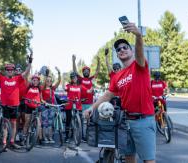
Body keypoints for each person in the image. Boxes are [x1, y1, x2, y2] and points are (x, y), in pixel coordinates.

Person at [84, 22, 156, 163]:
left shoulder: (139, 66)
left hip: (143, 121)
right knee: (128, 158)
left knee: (148, 161)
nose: (121, 50)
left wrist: (138, 36)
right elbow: (107, 95)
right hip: (124, 122)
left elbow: (140, 52)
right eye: (118, 49)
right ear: (117, 54)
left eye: (125, 47)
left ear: (131, 51)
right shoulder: (117, 76)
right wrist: (91, 108)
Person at [0, 53, 32, 150]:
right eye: (8, 70)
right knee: (5, 125)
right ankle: (4, 143)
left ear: (14, 71)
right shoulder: (2, 78)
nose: (10, 71)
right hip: (5, 105)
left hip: (15, 105)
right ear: (5, 71)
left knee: (14, 124)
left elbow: (26, 72)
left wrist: (30, 63)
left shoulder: (18, 78)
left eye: (11, 70)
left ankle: (12, 142)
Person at [72, 54, 99, 141]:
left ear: (89, 72)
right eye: (85, 71)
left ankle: (88, 136)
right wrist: (73, 61)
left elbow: (97, 72)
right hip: (82, 103)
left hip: (90, 104)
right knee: (83, 121)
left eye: (88, 70)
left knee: (89, 122)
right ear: (83, 72)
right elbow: (75, 72)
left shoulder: (91, 79)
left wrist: (99, 62)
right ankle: (82, 136)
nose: (86, 72)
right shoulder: (80, 79)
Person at [64, 72, 86, 143]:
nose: (74, 79)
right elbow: (65, 88)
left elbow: (87, 90)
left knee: (77, 121)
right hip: (69, 105)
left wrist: (91, 91)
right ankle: (67, 136)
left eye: (75, 77)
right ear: (71, 79)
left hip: (78, 106)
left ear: (77, 78)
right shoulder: (69, 85)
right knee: (68, 121)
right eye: (73, 77)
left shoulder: (80, 86)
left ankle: (74, 135)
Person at [41, 67, 61, 144]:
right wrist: (44, 102)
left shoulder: (52, 88)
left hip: (52, 107)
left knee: (50, 123)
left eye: (50, 81)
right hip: (45, 107)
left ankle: (50, 137)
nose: (49, 82)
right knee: (44, 124)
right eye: (47, 80)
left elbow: (59, 81)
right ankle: (44, 138)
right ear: (45, 81)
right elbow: (41, 98)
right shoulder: (42, 88)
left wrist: (59, 73)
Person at [22, 74, 43, 144]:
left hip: (37, 106)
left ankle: (40, 138)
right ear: (32, 80)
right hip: (29, 106)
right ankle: (24, 138)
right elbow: (25, 78)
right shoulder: (28, 87)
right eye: (34, 80)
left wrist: (44, 102)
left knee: (39, 122)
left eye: (37, 80)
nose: (35, 82)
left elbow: (41, 98)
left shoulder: (39, 88)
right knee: (27, 122)